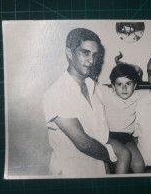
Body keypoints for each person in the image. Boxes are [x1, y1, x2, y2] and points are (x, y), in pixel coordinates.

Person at [43, 28, 124, 177]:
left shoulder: (95, 88)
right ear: (69, 52)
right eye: (85, 53)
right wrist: (112, 156)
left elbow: (100, 133)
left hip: (99, 171)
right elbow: (83, 143)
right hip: (70, 176)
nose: (92, 61)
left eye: (95, 55)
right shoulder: (56, 93)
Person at [100, 63, 145, 173]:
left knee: (139, 165)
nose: (124, 88)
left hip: (127, 137)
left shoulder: (139, 96)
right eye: (119, 84)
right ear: (113, 86)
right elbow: (90, 82)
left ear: (134, 85)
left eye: (128, 83)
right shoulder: (106, 93)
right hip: (109, 136)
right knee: (124, 154)